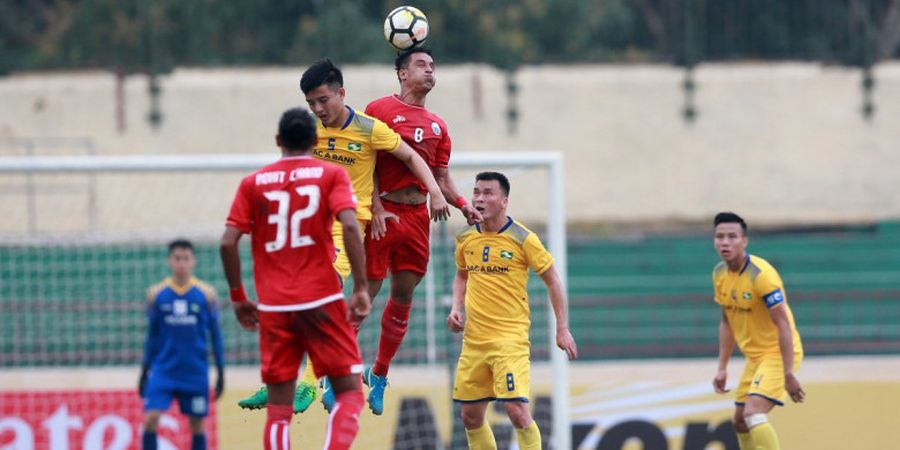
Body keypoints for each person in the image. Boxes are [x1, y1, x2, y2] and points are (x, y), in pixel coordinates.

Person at [238, 58, 451, 414]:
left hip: (345, 227)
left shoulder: (369, 128)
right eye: (312, 104)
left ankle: (309, 382)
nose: (318, 109)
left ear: (341, 94)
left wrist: (436, 192)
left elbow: (411, 157)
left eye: (323, 101)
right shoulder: (307, 134)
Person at [220, 107, 371, 450]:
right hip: (321, 299)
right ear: (315, 141)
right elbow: (349, 225)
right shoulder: (331, 175)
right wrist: (360, 287)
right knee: (349, 394)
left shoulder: (252, 183)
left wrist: (239, 297)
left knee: (278, 411)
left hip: (274, 305)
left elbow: (228, 241)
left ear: (278, 141)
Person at [361, 47, 483, 415]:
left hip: (417, 218)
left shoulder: (438, 126)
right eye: (422, 65)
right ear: (402, 73)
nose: (430, 71)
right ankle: (338, 373)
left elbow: (442, 177)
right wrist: (376, 207)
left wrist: (463, 205)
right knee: (365, 296)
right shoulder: (378, 110)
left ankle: (379, 374)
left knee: (402, 297)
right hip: (384, 213)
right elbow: (364, 164)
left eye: (433, 66)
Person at [446, 172, 577, 450]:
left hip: (509, 340)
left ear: (504, 201)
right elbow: (461, 276)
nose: (480, 198)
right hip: (474, 342)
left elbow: (553, 279)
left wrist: (562, 328)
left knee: (516, 410)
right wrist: (456, 308)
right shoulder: (466, 236)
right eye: (477, 192)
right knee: (470, 416)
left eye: (488, 193)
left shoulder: (523, 238)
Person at [711, 212, 805, 450]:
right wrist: (722, 367)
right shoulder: (720, 274)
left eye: (732, 236)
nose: (725, 242)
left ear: (744, 241)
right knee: (740, 422)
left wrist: (788, 372)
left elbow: (783, 323)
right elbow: (726, 320)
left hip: (778, 353)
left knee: (753, 414)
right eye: (720, 237)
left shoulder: (761, 275)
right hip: (755, 358)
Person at [139, 239, 224, 450]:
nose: (181, 263)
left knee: (197, 425)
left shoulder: (206, 294)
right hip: (163, 370)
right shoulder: (156, 294)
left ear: (193, 261)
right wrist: (144, 371)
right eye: (177, 258)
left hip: (194, 372)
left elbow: (216, 336)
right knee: (150, 418)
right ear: (170, 261)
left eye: (186, 258)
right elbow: (152, 336)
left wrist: (221, 372)